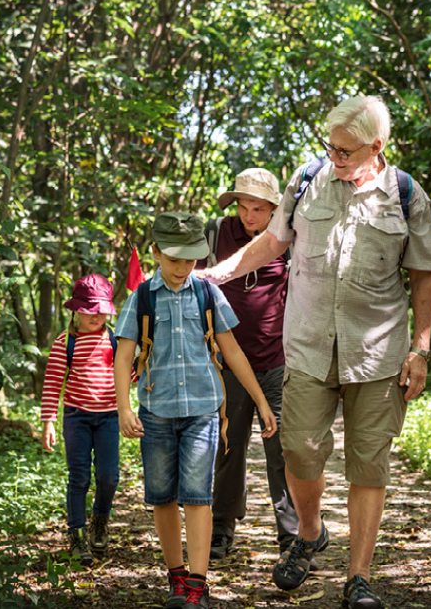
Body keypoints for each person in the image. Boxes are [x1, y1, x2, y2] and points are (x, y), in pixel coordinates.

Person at [198, 95, 431, 609]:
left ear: (377, 147)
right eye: (330, 147)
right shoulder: (307, 180)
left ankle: (359, 577)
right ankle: (310, 532)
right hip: (306, 345)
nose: (336, 157)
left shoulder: (406, 195)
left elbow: (422, 276)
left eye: (347, 150)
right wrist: (213, 275)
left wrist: (420, 348)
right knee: (299, 451)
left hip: (377, 353)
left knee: (368, 464)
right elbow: (272, 243)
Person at [114, 212, 278, 609]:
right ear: (155, 253)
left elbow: (233, 350)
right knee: (163, 497)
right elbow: (123, 357)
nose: (182, 268)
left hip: (203, 411)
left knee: (198, 497)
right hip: (156, 413)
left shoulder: (207, 294)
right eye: (174, 259)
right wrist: (123, 408)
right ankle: (176, 578)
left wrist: (259, 399)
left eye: (190, 260)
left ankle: (198, 585)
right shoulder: (142, 298)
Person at [198, 168, 300, 560]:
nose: (249, 215)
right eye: (243, 206)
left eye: (258, 208)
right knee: (229, 444)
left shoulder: (287, 238)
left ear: (275, 208)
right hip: (227, 361)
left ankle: (291, 533)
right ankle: (222, 526)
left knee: (282, 448)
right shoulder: (217, 234)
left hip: (278, 358)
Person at [40, 273, 121, 566]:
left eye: (101, 311)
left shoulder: (114, 340)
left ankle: (100, 520)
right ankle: (76, 533)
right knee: (79, 477)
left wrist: (143, 362)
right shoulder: (66, 342)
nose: (96, 317)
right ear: (76, 310)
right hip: (77, 417)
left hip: (109, 417)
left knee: (109, 476)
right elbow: (51, 383)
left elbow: (130, 376)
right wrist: (48, 420)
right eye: (90, 311)